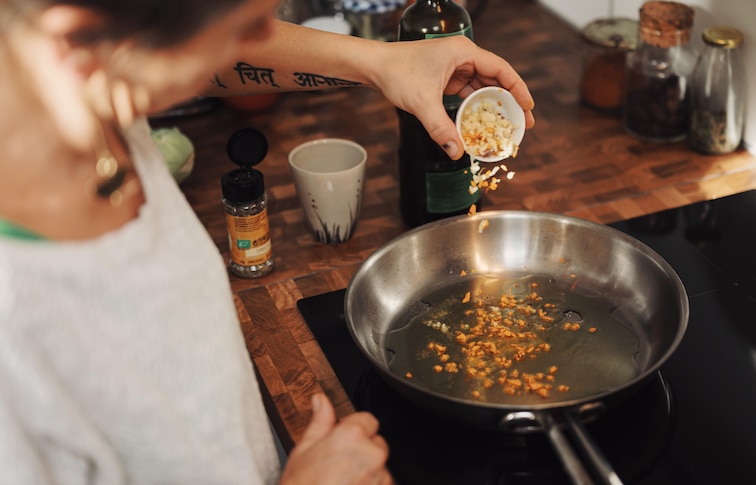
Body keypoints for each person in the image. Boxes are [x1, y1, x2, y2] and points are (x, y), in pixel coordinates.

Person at [0, 0, 535, 483]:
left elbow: (216, 54)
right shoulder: (16, 330)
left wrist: (381, 62)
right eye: (245, 25)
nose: (261, 37)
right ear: (79, 44)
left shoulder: (87, 98)